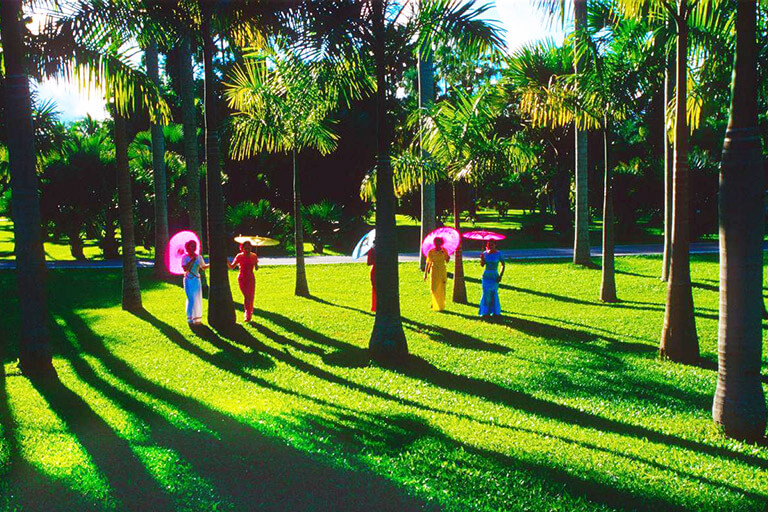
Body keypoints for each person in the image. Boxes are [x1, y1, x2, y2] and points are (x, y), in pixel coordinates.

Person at [228, 241, 259, 322]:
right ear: (242, 248)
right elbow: (232, 267)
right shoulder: (239, 256)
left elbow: (256, 268)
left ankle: (249, 313)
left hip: (251, 278)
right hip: (242, 278)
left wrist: (256, 264)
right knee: (247, 297)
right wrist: (226, 261)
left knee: (251, 297)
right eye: (246, 248)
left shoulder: (254, 256)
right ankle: (247, 314)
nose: (248, 250)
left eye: (249, 248)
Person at [181, 240, 208, 325]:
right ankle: (190, 318)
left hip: (196, 280)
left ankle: (197, 318)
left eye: (194, 246)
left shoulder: (199, 257)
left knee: (197, 298)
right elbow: (185, 268)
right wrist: (192, 260)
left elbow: (203, 267)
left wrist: (212, 263)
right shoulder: (184, 257)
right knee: (190, 298)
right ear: (188, 247)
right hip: (188, 279)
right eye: (191, 246)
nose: (193, 248)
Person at [479, 240, 505, 318]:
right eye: (489, 245)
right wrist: (482, 259)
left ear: (495, 245)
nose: (490, 246)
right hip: (486, 276)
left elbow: (503, 265)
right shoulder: (485, 253)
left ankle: (495, 312)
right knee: (486, 293)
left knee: (494, 293)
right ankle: (485, 312)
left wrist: (500, 275)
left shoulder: (499, 254)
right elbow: (482, 265)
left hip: (494, 276)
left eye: (492, 245)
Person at [424, 237, 450, 311]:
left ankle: (441, 304)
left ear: (441, 243)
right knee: (434, 287)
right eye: (436, 243)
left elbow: (447, 260)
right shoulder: (431, 252)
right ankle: (433, 303)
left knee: (442, 287)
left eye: (439, 243)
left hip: (442, 270)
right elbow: (428, 263)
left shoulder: (444, 250)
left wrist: (448, 257)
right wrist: (425, 273)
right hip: (434, 270)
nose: (437, 244)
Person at [366, 243, 376, 312]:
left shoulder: (372, 249)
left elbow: (369, 262)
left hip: (375, 270)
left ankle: (375, 306)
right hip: (384, 269)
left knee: (375, 289)